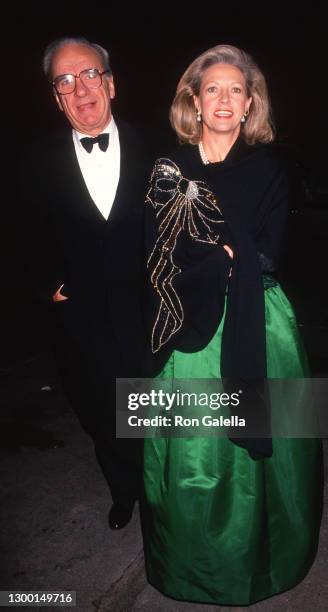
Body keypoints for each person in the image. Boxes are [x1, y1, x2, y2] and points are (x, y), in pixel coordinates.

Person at [142, 45, 323, 606]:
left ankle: (265, 562)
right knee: (189, 453)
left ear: (250, 105)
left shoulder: (269, 168)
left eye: (236, 90)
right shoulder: (168, 168)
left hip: (259, 322)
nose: (224, 99)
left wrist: (214, 252)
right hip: (186, 327)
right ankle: (192, 566)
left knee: (265, 457)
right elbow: (152, 255)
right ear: (193, 101)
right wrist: (217, 253)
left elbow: (268, 253)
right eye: (212, 89)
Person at [21, 37, 150, 529]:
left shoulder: (159, 147)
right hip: (80, 320)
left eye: (91, 74)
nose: (80, 89)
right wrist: (48, 286)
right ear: (57, 97)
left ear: (111, 84)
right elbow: (21, 234)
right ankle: (123, 492)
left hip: (148, 317)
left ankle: (161, 499)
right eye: (65, 81)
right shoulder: (33, 160)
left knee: (155, 416)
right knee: (101, 416)